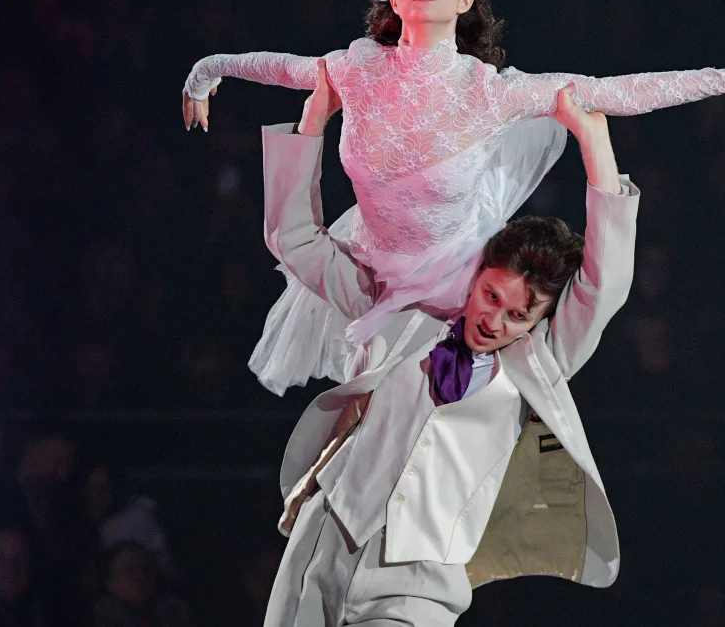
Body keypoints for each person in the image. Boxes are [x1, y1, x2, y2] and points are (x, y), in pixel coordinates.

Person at [181, 0, 725, 393]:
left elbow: (617, 91)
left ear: (465, 0)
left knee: (465, 394)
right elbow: (274, 68)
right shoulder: (355, 69)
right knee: (372, 410)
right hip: (373, 267)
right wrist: (208, 73)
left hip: (462, 276)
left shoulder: (492, 90)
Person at [256, 67, 638, 625]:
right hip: (324, 541)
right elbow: (294, 241)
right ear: (478, 272)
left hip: (418, 584)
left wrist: (593, 140)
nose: (497, 321)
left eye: (518, 315)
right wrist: (314, 118)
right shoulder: (400, 313)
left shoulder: (537, 364)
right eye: (491, 296)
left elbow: (604, 288)